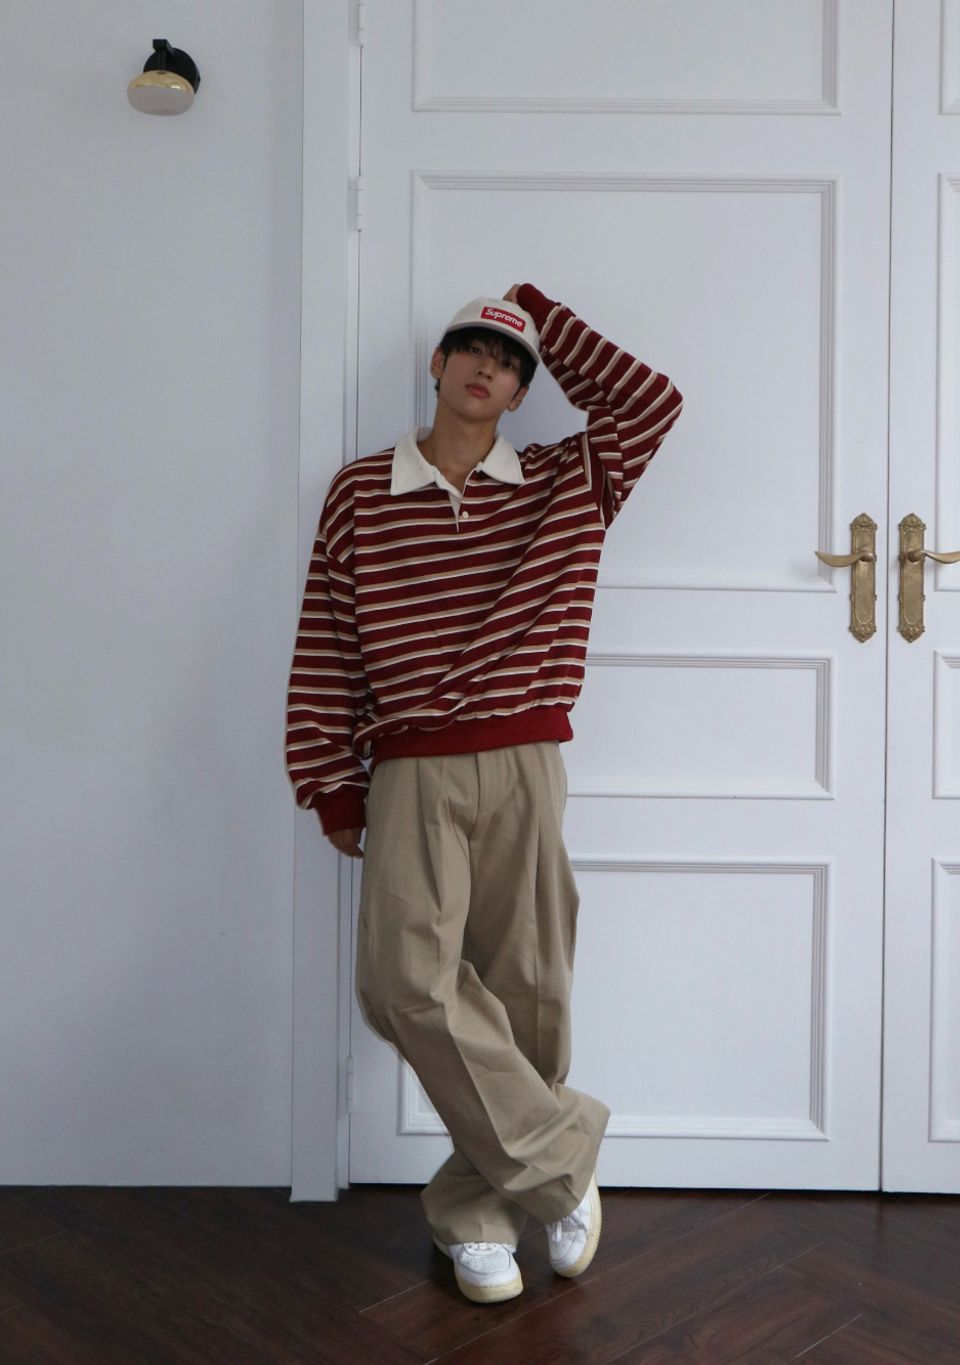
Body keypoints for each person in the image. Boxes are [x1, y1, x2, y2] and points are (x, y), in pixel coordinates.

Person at [285, 283, 684, 1303]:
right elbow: (328, 640)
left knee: (528, 990)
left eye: (509, 363)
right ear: (437, 364)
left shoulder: (567, 478)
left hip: (523, 758)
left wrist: (538, 312)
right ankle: (563, 1162)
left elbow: (651, 402)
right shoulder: (360, 491)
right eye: (471, 349)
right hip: (409, 765)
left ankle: (478, 1216)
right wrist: (332, 782)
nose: (487, 368)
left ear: (520, 391)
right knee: (403, 983)